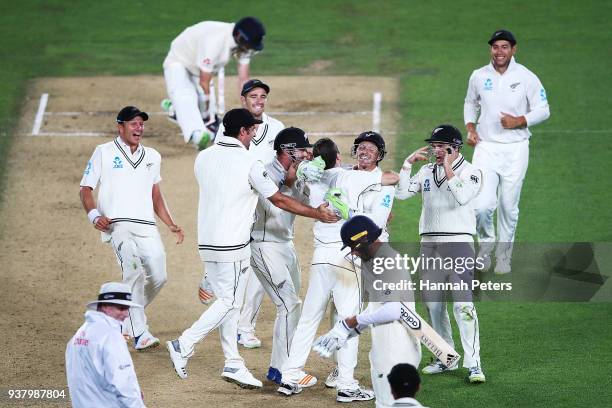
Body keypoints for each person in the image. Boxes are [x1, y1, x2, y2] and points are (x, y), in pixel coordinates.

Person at [166, 109, 338, 388]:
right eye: (253, 129)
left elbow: (224, 196)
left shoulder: (204, 156)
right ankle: (185, 344)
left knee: (235, 304)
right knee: (262, 304)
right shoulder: (253, 164)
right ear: (243, 131)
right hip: (251, 244)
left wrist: (296, 177)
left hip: (217, 241)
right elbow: (277, 200)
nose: (257, 134)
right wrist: (316, 213)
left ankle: (234, 363)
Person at [278, 138, 399, 402]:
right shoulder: (348, 177)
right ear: (337, 159)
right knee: (348, 320)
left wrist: (304, 165)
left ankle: (289, 375)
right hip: (347, 259)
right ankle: (346, 383)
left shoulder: (312, 179)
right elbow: (390, 178)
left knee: (309, 318)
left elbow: (294, 180)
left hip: (321, 258)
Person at [79, 106, 184, 351]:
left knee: (159, 276)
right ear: (121, 126)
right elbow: (85, 188)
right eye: (134, 123)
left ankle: (122, 319)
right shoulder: (103, 152)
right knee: (134, 271)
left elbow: (155, 194)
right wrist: (95, 216)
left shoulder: (153, 156)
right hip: (118, 225)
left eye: (141, 124)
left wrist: (170, 223)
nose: (139, 128)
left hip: (147, 225)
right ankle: (140, 333)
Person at [395, 124, 486, 383]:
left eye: (441, 146)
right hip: (429, 244)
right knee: (434, 305)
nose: (436, 150)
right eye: (434, 146)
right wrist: (406, 165)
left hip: (458, 244)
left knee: (463, 306)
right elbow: (402, 194)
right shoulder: (425, 171)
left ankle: (474, 364)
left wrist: (446, 166)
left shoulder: (472, 172)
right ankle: (446, 357)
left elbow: (461, 196)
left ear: (454, 147)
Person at [201, 79, 285, 349]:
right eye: (253, 96)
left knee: (259, 266)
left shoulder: (278, 129)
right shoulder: (230, 129)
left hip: (267, 204)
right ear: (244, 99)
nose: (259, 100)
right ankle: (209, 277)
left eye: (263, 96)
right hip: (239, 204)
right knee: (234, 257)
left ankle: (244, 327)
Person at [312, 215, 422, 408]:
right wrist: (345, 331)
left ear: (365, 240)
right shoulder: (372, 261)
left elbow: (393, 310)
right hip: (385, 348)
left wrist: (352, 322)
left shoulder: (388, 261)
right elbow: (376, 308)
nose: (353, 253)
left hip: (396, 351)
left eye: (354, 247)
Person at [464, 29, 550, 273]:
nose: (499, 51)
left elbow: (543, 109)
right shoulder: (479, 75)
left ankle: (504, 257)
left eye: (504, 47)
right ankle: (485, 249)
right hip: (486, 147)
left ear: (514, 49)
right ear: (490, 49)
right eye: (495, 47)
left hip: (516, 149)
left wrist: (520, 120)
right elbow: (470, 102)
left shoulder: (527, 77)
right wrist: (471, 127)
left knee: (508, 206)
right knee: (481, 205)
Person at [324, 131, 397, 389]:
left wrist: (349, 211)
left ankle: (384, 369)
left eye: (371, 148)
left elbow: (376, 222)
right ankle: (340, 368)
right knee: (340, 309)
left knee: (379, 310)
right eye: (361, 147)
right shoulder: (344, 175)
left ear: (379, 155)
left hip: (374, 253)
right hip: (351, 252)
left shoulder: (386, 183)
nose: (365, 151)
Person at [249, 127, 312, 384]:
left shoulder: (301, 174)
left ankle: (279, 367)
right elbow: (279, 201)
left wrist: (301, 179)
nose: (307, 153)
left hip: (287, 246)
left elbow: (306, 200)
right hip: (264, 246)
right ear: (287, 151)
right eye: (301, 149)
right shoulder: (264, 171)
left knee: (292, 308)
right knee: (288, 305)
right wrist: (288, 181)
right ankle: (286, 372)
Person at [161, 17, 266, 148]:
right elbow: (204, 82)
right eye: (249, 46)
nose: (250, 49)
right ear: (240, 38)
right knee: (186, 95)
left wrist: (248, 116)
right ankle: (196, 134)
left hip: (199, 68)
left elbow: (243, 80)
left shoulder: (243, 44)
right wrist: (207, 118)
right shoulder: (214, 41)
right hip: (179, 61)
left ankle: (175, 110)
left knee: (205, 107)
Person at [66, 282, 146, 408]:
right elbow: (124, 385)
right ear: (104, 307)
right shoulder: (110, 337)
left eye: (127, 308)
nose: (126, 314)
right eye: (121, 308)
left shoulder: (77, 337)